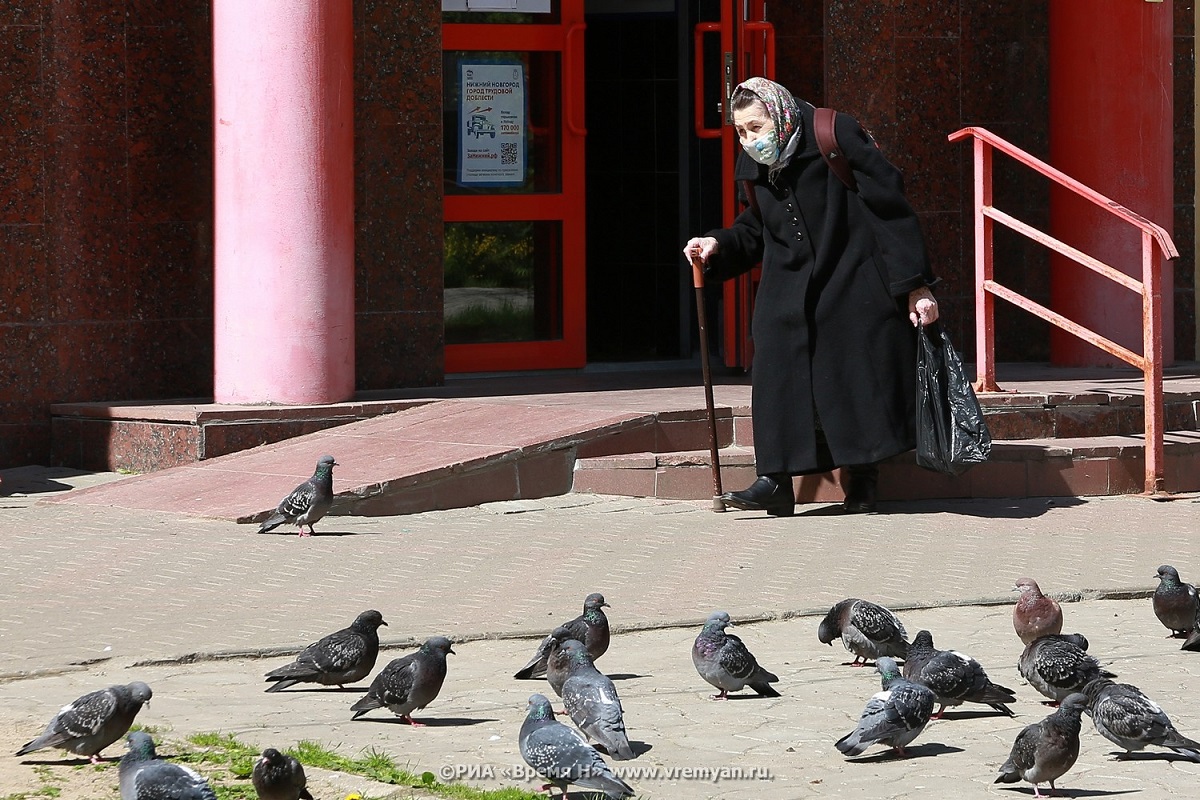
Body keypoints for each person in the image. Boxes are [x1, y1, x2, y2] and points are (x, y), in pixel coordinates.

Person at [683, 77, 938, 516]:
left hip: (851, 271)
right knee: (776, 352)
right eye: (741, 132)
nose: (750, 140)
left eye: (756, 127)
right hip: (789, 280)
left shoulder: (832, 134)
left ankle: (863, 478)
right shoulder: (758, 167)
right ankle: (775, 479)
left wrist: (914, 284)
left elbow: (888, 205)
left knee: (851, 358)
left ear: (780, 116)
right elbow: (757, 228)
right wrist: (716, 244)